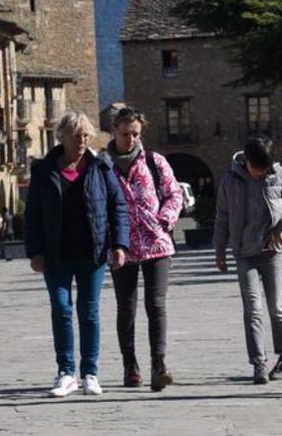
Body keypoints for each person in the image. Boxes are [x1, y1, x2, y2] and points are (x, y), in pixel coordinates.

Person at [25, 111, 130, 398]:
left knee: (89, 311)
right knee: (61, 309)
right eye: (76, 135)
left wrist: (119, 245)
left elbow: (117, 206)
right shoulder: (44, 170)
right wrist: (34, 251)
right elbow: (32, 214)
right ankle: (66, 372)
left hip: (91, 253)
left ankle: (90, 373)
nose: (82, 141)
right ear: (62, 137)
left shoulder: (100, 167)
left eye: (86, 135)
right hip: (55, 254)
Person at [214, 133, 282, 384]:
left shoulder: (280, 175)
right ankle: (259, 363)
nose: (258, 173)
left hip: (271, 252)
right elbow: (222, 215)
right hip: (244, 253)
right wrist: (220, 249)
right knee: (252, 310)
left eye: (263, 169)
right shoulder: (230, 179)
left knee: (277, 309)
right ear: (246, 160)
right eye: (255, 168)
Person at [104, 107, 182, 391]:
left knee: (156, 304)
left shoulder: (154, 162)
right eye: (125, 134)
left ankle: (158, 364)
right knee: (126, 307)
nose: (131, 139)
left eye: (135, 134)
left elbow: (174, 193)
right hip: (121, 247)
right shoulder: (104, 166)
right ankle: (130, 365)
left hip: (157, 243)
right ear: (113, 131)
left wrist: (166, 218)